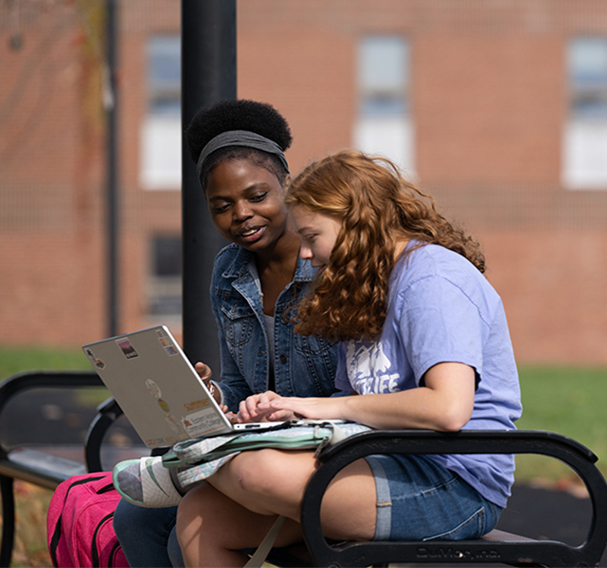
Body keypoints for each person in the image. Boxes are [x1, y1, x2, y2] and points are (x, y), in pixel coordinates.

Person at [158, 149, 522, 566]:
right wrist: (278, 413)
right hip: (378, 462)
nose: (307, 254)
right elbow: (352, 406)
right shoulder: (363, 288)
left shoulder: (433, 278)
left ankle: (178, 470)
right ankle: (188, 468)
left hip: (453, 484)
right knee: (201, 515)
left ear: (357, 222)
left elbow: (448, 408)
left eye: (312, 236)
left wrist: (315, 406)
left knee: (252, 472)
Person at [112, 99, 340, 567]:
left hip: (321, 452)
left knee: (188, 532)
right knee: (133, 519)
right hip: (262, 447)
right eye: (222, 206)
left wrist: (281, 419)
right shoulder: (229, 273)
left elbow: (358, 387)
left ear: (287, 185)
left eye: (257, 196)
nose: (241, 214)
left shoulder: (330, 265)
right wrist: (212, 395)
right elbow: (242, 386)